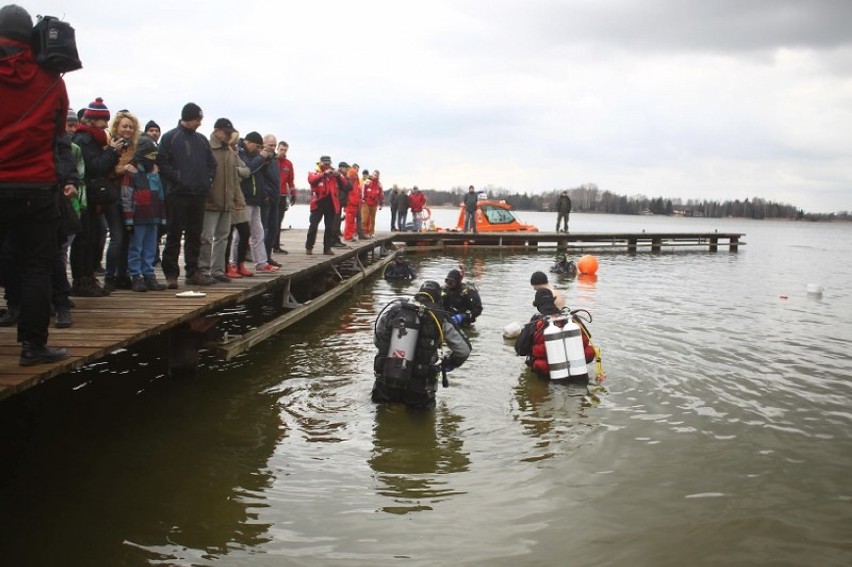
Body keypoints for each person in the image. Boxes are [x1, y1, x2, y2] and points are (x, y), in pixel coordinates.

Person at [0, 4, 72, 364]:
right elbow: (59, 132)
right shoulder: (52, 79)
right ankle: (32, 346)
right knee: (36, 267)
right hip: (36, 186)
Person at [372, 280, 471, 408]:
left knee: (383, 421)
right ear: (438, 299)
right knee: (422, 424)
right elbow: (464, 350)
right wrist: (450, 363)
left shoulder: (395, 310)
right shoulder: (439, 316)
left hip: (386, 380)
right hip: (420, 387)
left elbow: (377, 339)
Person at [157, 102, 217, 288]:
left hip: (198, 194)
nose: (199, 123)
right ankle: (171, 274)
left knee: (194, 235)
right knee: (174, 234)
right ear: (188, 118)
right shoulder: (170, 137)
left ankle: (193, 272)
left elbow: (212, 164)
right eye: (197, 119)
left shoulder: (201, 140)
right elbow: (162, 163)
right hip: (177, 194)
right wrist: (178, 178)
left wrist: (206, 181)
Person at [71, 97, 123, 297]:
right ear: (93, 120)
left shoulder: (93, 138)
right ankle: (82, 280)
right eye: (103, 120)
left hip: (93, 197)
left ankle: (87, 277)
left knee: (91, 237)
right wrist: (112, 152)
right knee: (84, 239)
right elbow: (95, 167)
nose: (106, 124)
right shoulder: (84, 139)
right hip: (86, 196)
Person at [119, 134, 167, 292]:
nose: (152, 159)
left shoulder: (154, 170)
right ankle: (136, 276)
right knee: (136, 247)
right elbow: (126, 195)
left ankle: (149, 274)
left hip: (153, 216)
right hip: (136, 216)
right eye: (150, 155)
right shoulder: (131, 171)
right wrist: (128, 220)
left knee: (150, 248)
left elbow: (160, 194)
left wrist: (162, 218)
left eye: (154, 155)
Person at [520, 288, 595, 381]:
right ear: (553, 301)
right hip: (578, 370)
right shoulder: (570, 317)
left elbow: (520, 350)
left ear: (537, 306)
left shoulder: (535, 323)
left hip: (549, 376)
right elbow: (588, 337)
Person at [200, 118, 240, 282]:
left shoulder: (230, 152)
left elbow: (234, 178)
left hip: (227, 202)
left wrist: (236, 198)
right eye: (226, 132)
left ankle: (218, 270)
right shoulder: (207, 148)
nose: (228, 136)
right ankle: (203, 269)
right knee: (206, 237)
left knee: (223, 237)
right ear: (217, 131)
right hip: (210, 201)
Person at [234, 131, 278, 273]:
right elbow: (248, 169)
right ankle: (233, 261)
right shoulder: (240, 152)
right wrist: (261, 157)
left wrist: (267, 160)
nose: (259, 150)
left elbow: (261, 173)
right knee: (240, 234)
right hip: (244, 198)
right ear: (249, 143)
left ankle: (261, 262)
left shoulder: (255, 155)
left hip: (256, 199)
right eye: (258, 146)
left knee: (258, 232)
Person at [305, 155, 343, 255]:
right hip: (318, 202)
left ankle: (327, 248)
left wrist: (338, 175)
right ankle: (309, 247)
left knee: (329, 227)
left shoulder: (334, 172)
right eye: (325, 163)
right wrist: (323, 174)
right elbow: (311, 180)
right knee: (313, 225)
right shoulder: (315, 171)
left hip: (331, 203)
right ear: (321, 162)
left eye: (328, 163)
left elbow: (345, 184)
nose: (327, 165)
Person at [274, 140, 294, 253]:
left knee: (279, 221)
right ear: (277, 149)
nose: (283, 152)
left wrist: (293, 193)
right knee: (271, 221)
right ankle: (269, 245)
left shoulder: (288, 164)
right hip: (272, 195)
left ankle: (276, 245)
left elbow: (290, 180)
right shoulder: (272, 161)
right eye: (281, 149)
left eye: (285, 150)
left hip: (282, 195)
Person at [343, 163, 362, 242]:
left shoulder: (356, 180)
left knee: (351, 221)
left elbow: (357, 191)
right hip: (351, 203)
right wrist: (350, 201)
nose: (356, 172)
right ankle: (348, 236)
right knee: (349, 221)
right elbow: (350, 191)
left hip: (355, 203)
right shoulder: (352, 177)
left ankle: (350, 235)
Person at [361, 170, 383, 238]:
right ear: (372, 175)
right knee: (364, 218)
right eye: (375, 175)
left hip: (374, 203)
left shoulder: (379, 184)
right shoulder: (367, 182)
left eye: (377, 175)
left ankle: (371, 233)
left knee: (372, 219)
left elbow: (381, 195)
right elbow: (363, 190)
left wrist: (381, 204)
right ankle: (363, 233)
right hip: (366, 203)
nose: (376, 176)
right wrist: (363, 198)